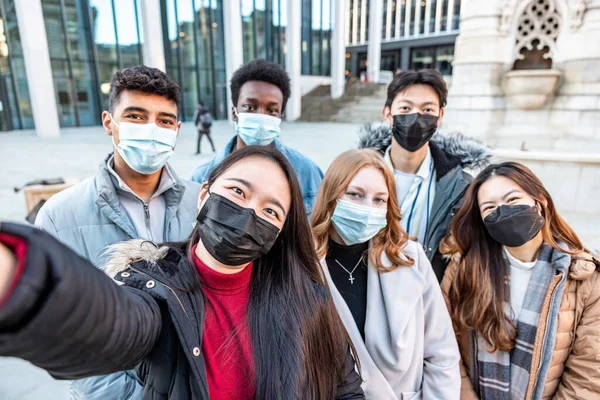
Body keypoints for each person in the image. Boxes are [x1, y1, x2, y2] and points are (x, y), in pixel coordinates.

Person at [0, 146, 365, 400]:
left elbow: (345, 387)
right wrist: (22, 278)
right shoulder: (157, 288)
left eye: (271, 211)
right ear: (204, 193)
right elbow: (112, 325)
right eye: (238, 191)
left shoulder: (307, 296)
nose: (249, 214)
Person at [34, 65, 201, 399]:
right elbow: (63, 334)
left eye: (164, 120)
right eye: (136, 116)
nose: (152, 129)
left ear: (177, 129)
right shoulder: (60, 215)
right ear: (110, 123)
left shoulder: (201, 203)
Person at [440, 162, 600, 399]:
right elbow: (444, 348)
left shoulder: (584, 277)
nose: (503, 211)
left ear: (540, 201)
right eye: (490, 207)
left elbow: (588, 372)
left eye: (513, 199)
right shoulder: (463, 270)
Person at [311, 148, 461, 399]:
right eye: (355, 195)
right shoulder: (303, 263)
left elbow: (442, 354)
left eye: (379, 199)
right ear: (331, 195)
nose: (367, 207)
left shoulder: (409, 259)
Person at [358, 69, 491, 282]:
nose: (416, 117)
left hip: (425, 296)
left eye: (427, 109)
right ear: (388, 114)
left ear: (440, 116)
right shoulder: (356, 175)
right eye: (405, 108)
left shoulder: (460, 187)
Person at [191, 59, 323, 217]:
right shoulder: (202, 176)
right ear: (234, 113)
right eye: (250, 107)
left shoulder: (307, 172)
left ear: (280, 116)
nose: (261, 115)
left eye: (271, 110)